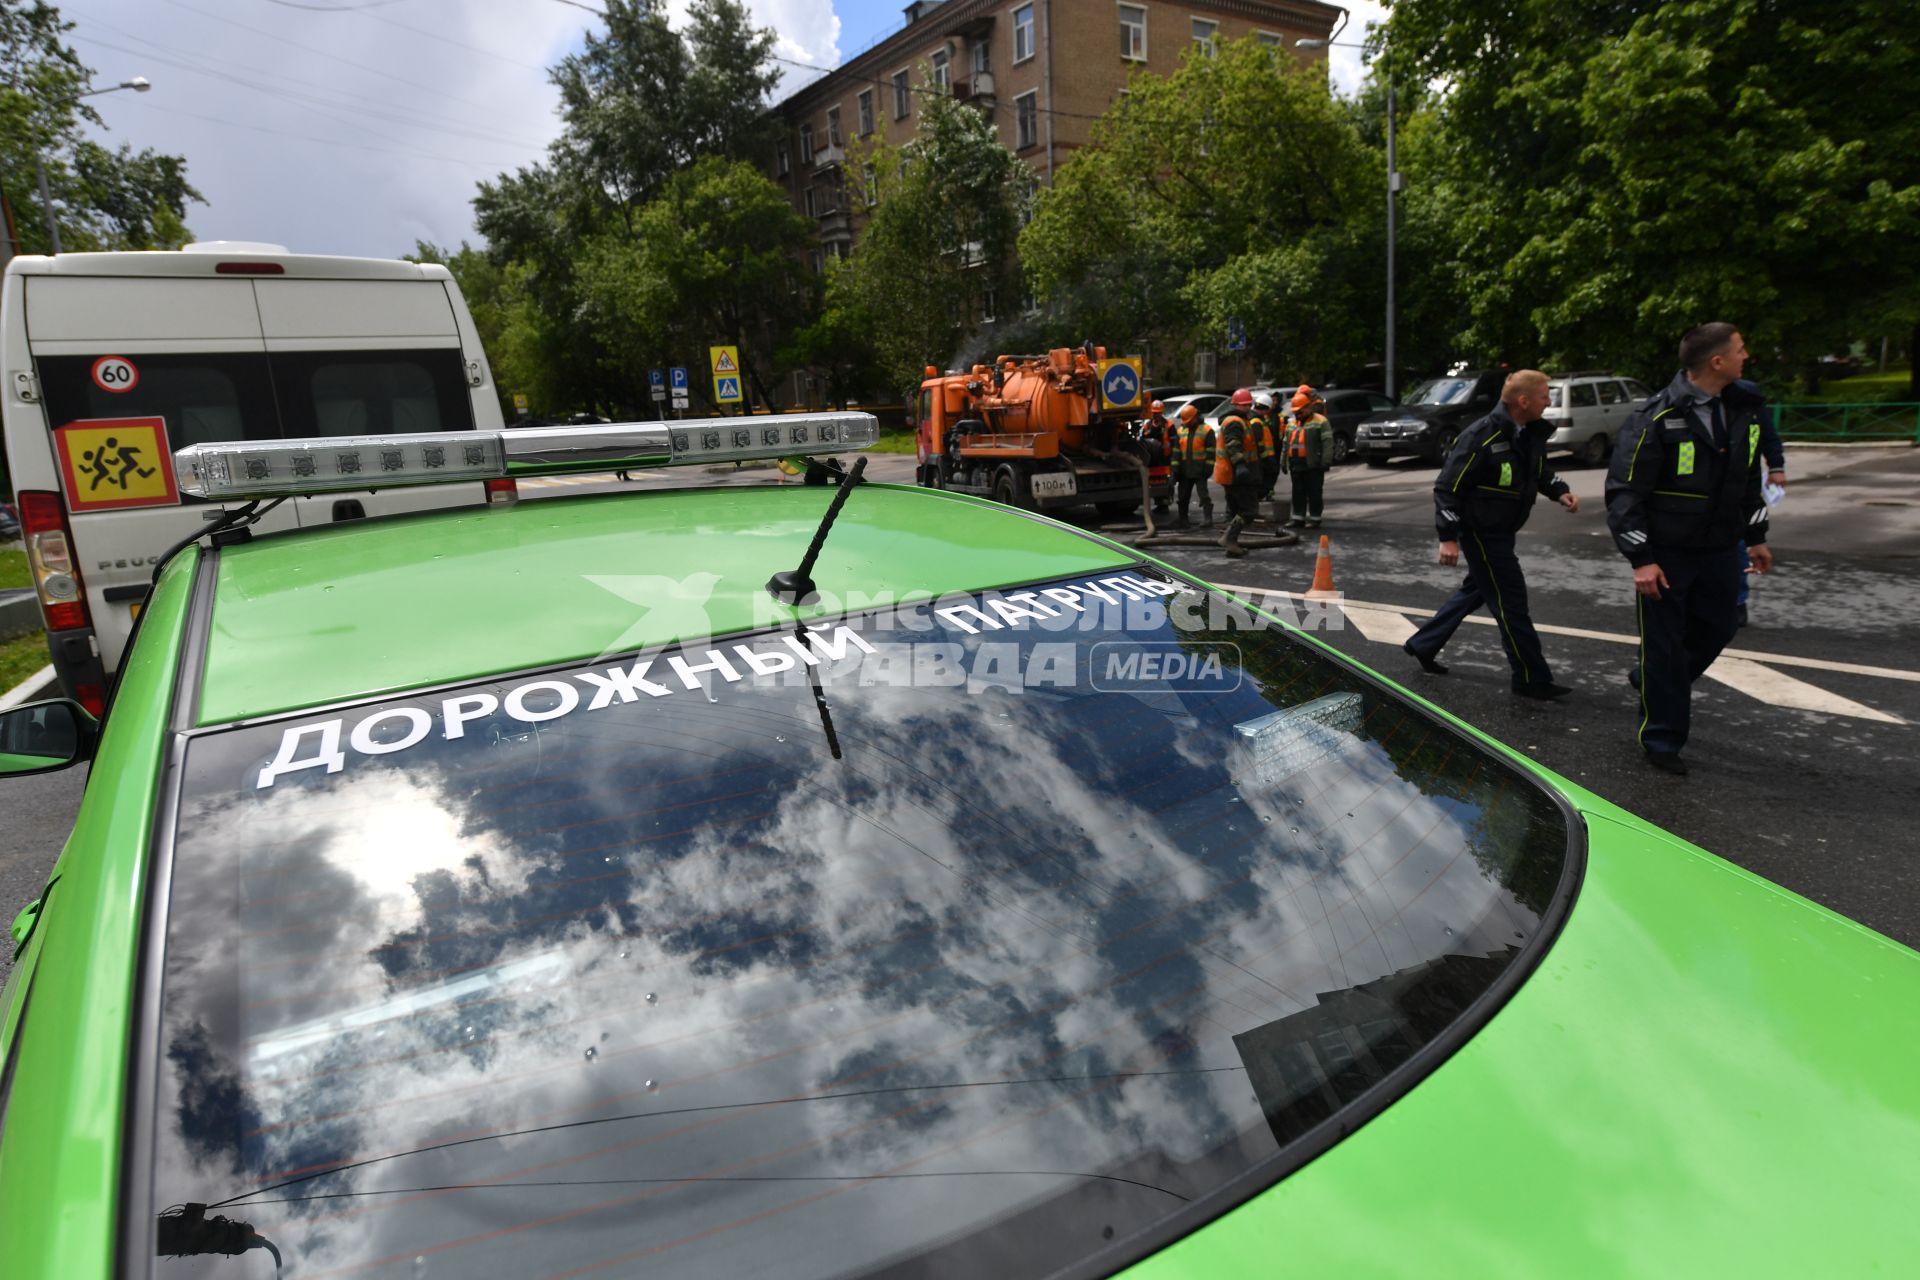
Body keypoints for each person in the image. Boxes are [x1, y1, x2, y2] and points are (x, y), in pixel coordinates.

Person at [1606, 322, 1773, 775]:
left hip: (1721, 548)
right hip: (1667, 553)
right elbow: (1625, 494)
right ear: (1717, 362)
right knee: (1664, 645)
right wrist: (1641, 559)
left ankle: (1651, 681)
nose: (1747, 356)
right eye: (1740, 350)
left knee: (1721, 626)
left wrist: (1755, 537)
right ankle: (1661, 739)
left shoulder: (1743, 411)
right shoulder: (1655, 417)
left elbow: (1747, 483)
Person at [1403, 370, 1579, 699]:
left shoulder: (1527, 433)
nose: (1549, 402)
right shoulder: (1480, 435)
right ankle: (1531, 678)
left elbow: (1538, 472)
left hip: (1502, 530)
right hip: (1482, 534)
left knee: (1478, 590)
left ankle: (1423, 644)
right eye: (1545, 396)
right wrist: (1448, 537)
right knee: (1512, 602)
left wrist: (1559, 491)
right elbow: (1447, 487)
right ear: (1523, 401)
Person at [1731, 376, 1786, 627]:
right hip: (1708, 494)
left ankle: (1737, 603)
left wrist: (1776, 467)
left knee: (1739, 546)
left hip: (1742, 489)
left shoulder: (1749, 403)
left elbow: (1769, 437)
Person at [1215, 388, 1264, 558]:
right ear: (1235, 405)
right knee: (1249, 510)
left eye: (1248, 405)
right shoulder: (1235, 421)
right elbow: (1233, 445)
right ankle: (1230, 539)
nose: (1247, 408)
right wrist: (1240, 465)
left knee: (1236, 509)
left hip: (1232, 474)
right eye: (1244, 405)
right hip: (1236, 474)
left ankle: (1229, 541)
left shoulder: (1240, 419)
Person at [1283, 385, 1335, 529]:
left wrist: (1325, 461)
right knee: (1297, 492)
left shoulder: (1320, 421)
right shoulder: (1292, 423)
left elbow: (1328, 443)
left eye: (1299, 411)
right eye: (1295, 412)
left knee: (1314, 492)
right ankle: (1298, 518)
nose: (1297, 414)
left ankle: (1315, 518)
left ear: (1308, 407)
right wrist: (1283, 461)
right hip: (1296, 464)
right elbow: (1286, 443)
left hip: (1313, 464)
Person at [1171, 402, 1215, 529]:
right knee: (1183, 496)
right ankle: (1183, 520)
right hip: (1184, 471)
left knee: (1203, 495)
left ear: (1196, 417)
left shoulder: (1206, 430)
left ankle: (1208, 519)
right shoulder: (1181, 430)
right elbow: (1176, 453)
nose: (1188, 423)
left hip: (1200, 469)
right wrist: (1175, 471)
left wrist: (1208, 468)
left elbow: (1211, 452)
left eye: (1190, 420)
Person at [1252, 395, 1281, 505]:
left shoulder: (1259, 420)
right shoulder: (1256, 422)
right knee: (1263, 484)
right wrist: (1266, 459)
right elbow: (1259, 443)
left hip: (1265, 458)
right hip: (1263, 459)